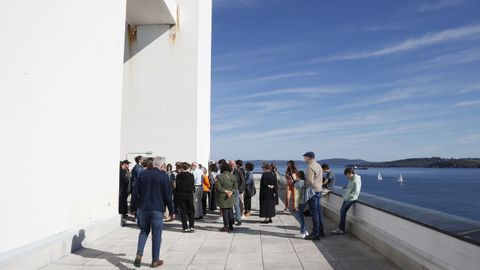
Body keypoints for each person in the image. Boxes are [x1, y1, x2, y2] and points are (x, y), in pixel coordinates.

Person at [130, 157, 174, 268]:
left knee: (143, 231)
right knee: (156, 235)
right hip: (157, 210)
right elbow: (168, 196)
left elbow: (135, 192)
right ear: (161, 165)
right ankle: (155, 260)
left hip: (143, 208)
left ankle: (139, 253)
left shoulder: (142, 174)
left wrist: (132, 207)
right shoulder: (163, 176)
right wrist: (172, 211)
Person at [332, 167, 362, 234]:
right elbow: (351, 187)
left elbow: (356, 191)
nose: (346, 177)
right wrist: (346, 188)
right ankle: (340, 228)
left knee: (342, 212)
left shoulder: (355, 180)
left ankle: (341, 229)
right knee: (342, 212)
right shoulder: (352, 179)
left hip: (350, 199)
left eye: (347, 175)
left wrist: (349, 196)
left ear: (350, 173)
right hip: (347, 198)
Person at [303, 151, 324, 240]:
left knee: (314, 212)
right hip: (319, 190)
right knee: (318, 211)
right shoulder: (318, 165)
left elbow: (310, 182)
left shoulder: (310, 167)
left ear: (309, 157)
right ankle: (321, 231)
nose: (304, 159)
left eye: (305, 157)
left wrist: (304, 185)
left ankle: (315, 233)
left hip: (313, 191)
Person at [216, 162, 238, 232]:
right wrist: (231, 192)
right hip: (231, 195)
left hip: (223, 196)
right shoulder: (233, 176)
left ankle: (226, 226)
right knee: (230, 210)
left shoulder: (220, 176)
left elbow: (218, 187)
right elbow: (235, 187)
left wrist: (225, 191)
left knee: (224, 211)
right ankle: (231, 226)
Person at [174, 162, 196, 232]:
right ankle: (191, 226)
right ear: (188, 167)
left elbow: (176, 186)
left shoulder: (178, 175)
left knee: (182, 211)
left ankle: (185, 227)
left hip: (180, 194)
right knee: (191, 210)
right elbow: (192, 184)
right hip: (189, 194)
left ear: (182, 168)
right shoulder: (191, 175)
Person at [293, 171, 315, 238]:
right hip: (307, 201)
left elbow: (296, 195)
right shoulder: (306, 182)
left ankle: (303, 231)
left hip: (301, 202)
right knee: (302, 216)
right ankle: (305, 230)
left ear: (298, 176)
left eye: (296, 176)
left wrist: (295, 205)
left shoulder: (298, 184)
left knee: (300, 216)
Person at [230, 160, 245, 225]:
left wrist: (240, 189)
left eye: (233, 164)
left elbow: (242, 181)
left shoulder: (238, 171)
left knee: (236, 205)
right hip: (229, 190)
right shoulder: (228, 171)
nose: (232, 166)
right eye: (231, 164)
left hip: (236, 190)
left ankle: (238, 220)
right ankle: (231, 220)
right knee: (230, 206)